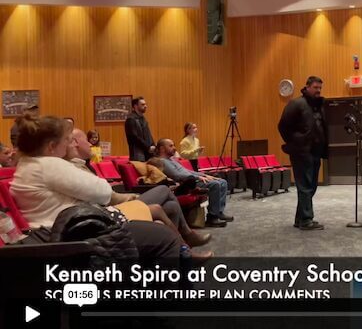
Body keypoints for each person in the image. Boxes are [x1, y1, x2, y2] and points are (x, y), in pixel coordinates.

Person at [10, 114, 182, 261]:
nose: (68, 144)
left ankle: (182, 253)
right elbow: (102, 191)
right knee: (164, 235)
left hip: (62, 229)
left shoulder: (27, 165)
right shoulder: (48, 165)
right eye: (65, 140)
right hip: (73, 233)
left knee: (163, 215)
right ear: (51, 146)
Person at [67, 128, 212, 252]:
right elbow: (105, 195)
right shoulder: (74, 168)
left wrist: (130, 196)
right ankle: (185, 239)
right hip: (107, 210)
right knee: (163, 190)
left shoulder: (83, 165)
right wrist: (132, 197)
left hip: (111, 204)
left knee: (172, 206)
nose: (89, 143)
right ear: (75, 143)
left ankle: (179, 250)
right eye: (86, 140)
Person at [278, 76, 328, 230]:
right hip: (301, 152)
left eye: (320, 88)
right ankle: (306, 220)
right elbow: (282, 126)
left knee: (311, 186)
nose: (318, 91)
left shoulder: (318, 106)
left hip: (315, 152)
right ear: (307, 87)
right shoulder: (296, 104)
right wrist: (295, 142)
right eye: (315, 88)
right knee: (305, 186)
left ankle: (300, 218)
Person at [156, 139, 232, 228]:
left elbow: (188, 171)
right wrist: (199, 177)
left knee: (223, 182)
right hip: (186, 184)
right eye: (171, 146)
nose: (174, 148)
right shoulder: (162, 161)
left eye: (173, 145)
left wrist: (205, 175)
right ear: (162, 148)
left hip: (193, 179)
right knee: (215, 184)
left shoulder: (172, 160)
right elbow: (177, 175)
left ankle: (219, 212)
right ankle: (212, 217)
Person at [125, 96, 155, 161]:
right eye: (142, 104)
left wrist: (153, 146)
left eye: (145, 104)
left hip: (148, 152)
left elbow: (148, 135)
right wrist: (148, 147)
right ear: (135, 106)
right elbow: (134, 137)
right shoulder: (131, 119)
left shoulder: (143, 118)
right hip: (138, 155)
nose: (146, 106)